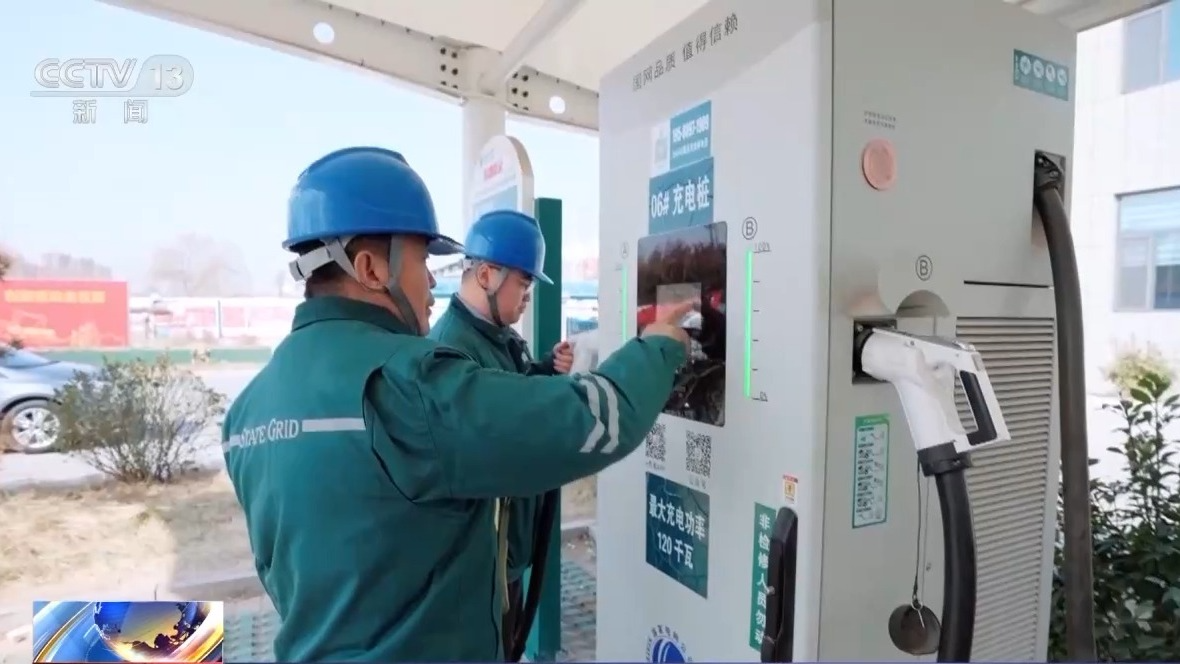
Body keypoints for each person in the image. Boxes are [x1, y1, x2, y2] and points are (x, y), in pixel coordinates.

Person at [220, 146, 691, 663]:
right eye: (422, 260)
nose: (432, 282)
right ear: (370, 268)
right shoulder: (409, 382)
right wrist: (659, 346)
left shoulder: (247, 410)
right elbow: (591, 419)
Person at [428, 209, 573, 658]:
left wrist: (543, 372)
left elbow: (507, 395)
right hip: (478, 569)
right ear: (487, 275)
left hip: (503, 557)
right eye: (524, 284)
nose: (527, 297)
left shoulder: (496, 337)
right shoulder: (450, 350)